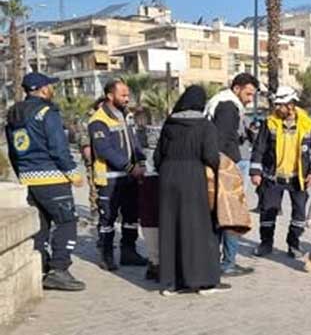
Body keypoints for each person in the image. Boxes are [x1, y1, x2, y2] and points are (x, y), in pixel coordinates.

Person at [5, 73, 85, 291]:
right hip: (52, 177)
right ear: (42, 89)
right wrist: (73, 173)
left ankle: (40, 266)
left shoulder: (13, 114)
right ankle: (59, 269)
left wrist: (23, 175)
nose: (52, 89)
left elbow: (13, 152)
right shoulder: (47, 112)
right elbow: (58, 147)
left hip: (29, 178)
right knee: (67, 221)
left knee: (41, 225)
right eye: (50, 86)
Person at [154, 86, 227, 295]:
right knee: (198, 228)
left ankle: (171, 283)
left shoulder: (169, 124)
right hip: (194, 177)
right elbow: (211, 157)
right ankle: (202, 281)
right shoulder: (205, 126)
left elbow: (157, 156)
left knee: (170, 228)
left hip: (168, 176)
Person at [249, 86, 311, 258]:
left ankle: (293, 244)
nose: (277, 108)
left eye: (280, 105)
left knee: (299, 214)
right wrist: (255, 172)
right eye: (276, 104)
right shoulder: (269, 123)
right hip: (272, 178)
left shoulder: (308, 125)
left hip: (298, 179)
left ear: (291, 105)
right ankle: (266, 244)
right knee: (268, 212)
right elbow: (259, 148)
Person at [89, 80, 148, 271]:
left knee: (131, 216)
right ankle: (106, 254)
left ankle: (129, 251)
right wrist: (130, 167)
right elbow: (104, 149)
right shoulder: (98, 120)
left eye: (127, 94)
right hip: (110, 178)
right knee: (108, 219)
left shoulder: (126, 115)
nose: (127, 98)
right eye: (123, 95)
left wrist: (141, 162)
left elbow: (135, 142)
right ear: (110, 95)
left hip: (130, 177)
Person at [205, 73, 258, 277]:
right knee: (231, 215)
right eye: (248, 94)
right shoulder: (228, 106)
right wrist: (229, 170)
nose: (250, 99)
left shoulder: (222, 102)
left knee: (222, 215)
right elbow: (222, 140)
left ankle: (218, 261)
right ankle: (227, 263)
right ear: (236, 89)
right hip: (225, 169)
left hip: (222, 166)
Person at [77, 97, 105, 225]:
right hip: (95, 159)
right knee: (95, 187)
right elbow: (85, 143)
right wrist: (90, 161)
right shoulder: (88, 119)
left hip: (112, 159)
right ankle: (96, 212)